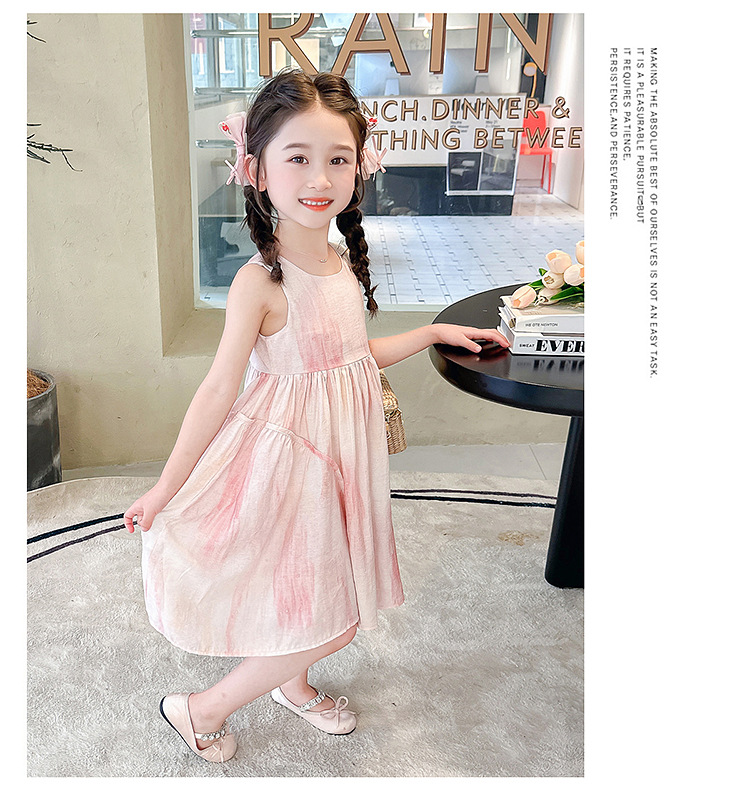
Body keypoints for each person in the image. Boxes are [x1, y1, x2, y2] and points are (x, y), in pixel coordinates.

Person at [123, 67, 509, 764]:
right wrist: (164, 488)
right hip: (285, 461)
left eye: (337, 158)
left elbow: (349, 359)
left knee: (310, 584)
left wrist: (429, 332)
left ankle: (291, 683)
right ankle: (201, 708)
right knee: (334, 614)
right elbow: (217, 388)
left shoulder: (341, 262)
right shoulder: (260, 282)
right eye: (297, 158)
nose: (320, 177)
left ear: (360, 166)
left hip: (337, 457)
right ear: (256, 170)